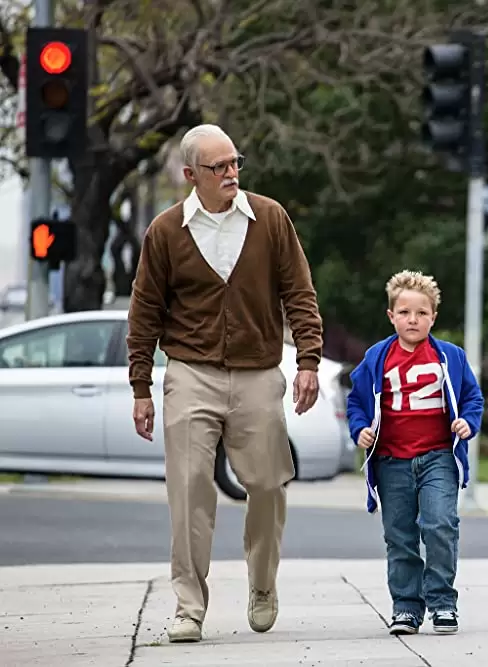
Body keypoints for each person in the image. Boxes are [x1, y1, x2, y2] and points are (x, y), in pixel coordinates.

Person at [126, 124, 324, 644]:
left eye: (236, 162)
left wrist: (308, 359)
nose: (232, 173)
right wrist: (141, 386)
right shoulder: (166, 231)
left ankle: (262, 584)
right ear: (191, 175)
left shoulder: (270, 218)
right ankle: (189, 607)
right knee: (189, 488)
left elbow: (299, 292)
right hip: (191, 372)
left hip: (258, 372)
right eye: (219, 167)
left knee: (268, 484)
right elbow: (144, 313)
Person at [346, 270, 484, 636]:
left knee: (440, 525)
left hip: (438, 457)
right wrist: (360, 429)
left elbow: (472, 397)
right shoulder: (377, 357)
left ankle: (442, 602)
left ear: (433, 317)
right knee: (400, 536)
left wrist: (467, 422)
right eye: (405, 312)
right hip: (391, 461)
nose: (413, 319)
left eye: (421, 313)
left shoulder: (449, 357)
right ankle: (406, 607)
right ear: (391, 315)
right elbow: (356, 401)